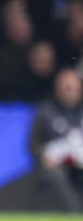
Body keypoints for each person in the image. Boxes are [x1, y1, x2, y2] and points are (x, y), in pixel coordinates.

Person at [28, 68, 83, 213]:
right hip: (54, 169)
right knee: (58, 176)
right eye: (66, 87)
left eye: (73, 88)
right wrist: (42, 156)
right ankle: (75, 217)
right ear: (57, 89)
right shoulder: (45, 112)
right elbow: (33, 145)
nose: (69, 91)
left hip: (80, 166)